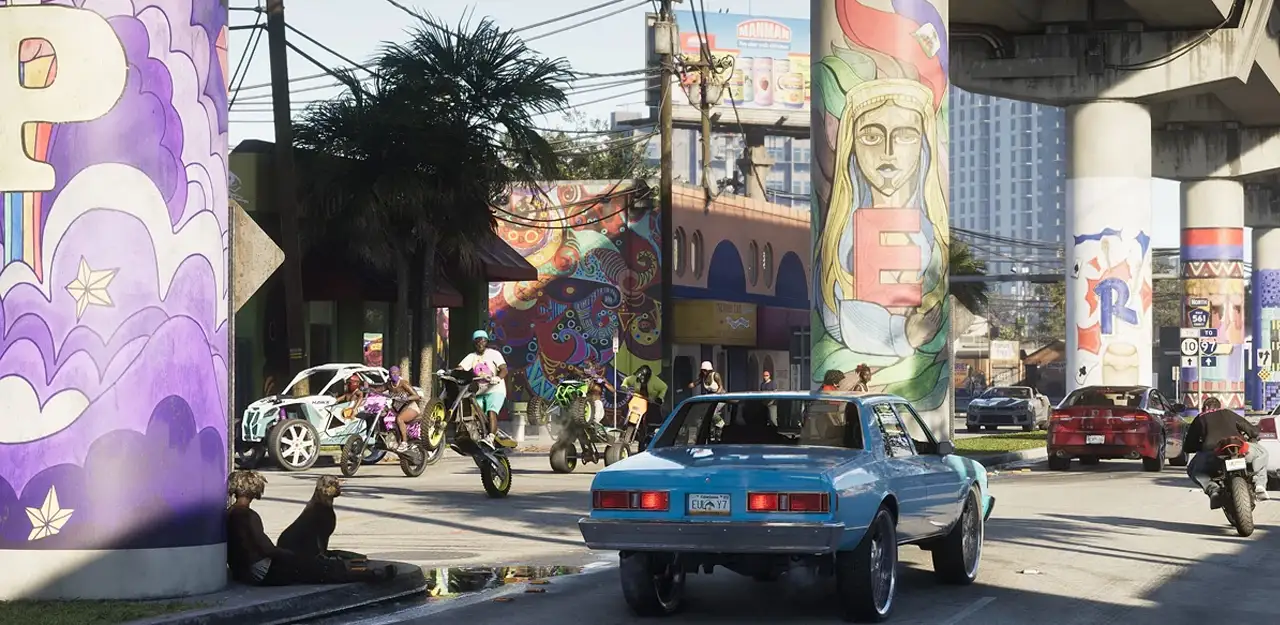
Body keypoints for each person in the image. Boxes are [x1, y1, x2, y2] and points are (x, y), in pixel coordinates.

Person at [226, 471, 393, 586]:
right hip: (261, 572)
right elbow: (267, 549)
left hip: (243, 572)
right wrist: (289, 555)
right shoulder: (248, 515)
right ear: (254, 490)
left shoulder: (230, 512)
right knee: (317, 569)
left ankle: (364, 572)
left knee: (309, 566)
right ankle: (370, 574)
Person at [1185, 396, 1270, 504]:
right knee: (1262, 453)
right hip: (1239, 449)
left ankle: (1213, 489)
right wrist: (1254, 434)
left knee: (1193, 469)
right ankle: (1259, 485)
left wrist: (1201, 447)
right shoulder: (1228, 413)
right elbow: (1253, 431)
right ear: (1219, 406)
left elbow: (1188, 446)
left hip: (1212, 454)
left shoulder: (1200, 418)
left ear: (1205, 407)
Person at [459, 329, 507, 448]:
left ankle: (490, 438)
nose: (480, 343)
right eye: (477, 341)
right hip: (480, 391)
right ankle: (477, 437)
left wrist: (498, 378)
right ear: (474, 343)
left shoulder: (494, 354)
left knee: (491, 411)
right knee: (475, 414)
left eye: (483, 341)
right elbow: (460, 368)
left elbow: (504, 369)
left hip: (495, 389)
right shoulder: (472, 357)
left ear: (487, 342)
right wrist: (449, 372)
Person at [379, 366, 422, 453]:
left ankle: (404, 442)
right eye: (392, 373)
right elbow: (378, 389)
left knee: (400, 419)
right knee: (383, 415)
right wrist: (367, 388)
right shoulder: (388, 385)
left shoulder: (403, 384)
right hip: (397, 409)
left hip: (410, 407)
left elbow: (417, 396)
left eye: (396, 373)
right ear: (389, 375)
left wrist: (407, 398)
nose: (394, 375)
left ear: (399, 374)